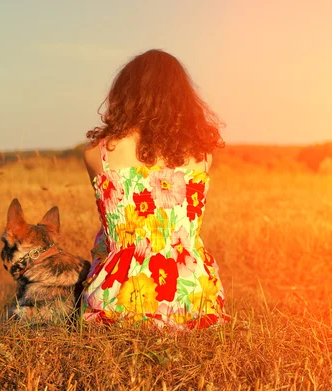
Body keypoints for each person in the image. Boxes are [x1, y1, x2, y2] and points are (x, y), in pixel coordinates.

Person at [82, 49, 230, 329]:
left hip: (118, 296)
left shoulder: (98, 153)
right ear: (184, 99)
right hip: (193, 295)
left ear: (124, 94)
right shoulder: (202, 156)